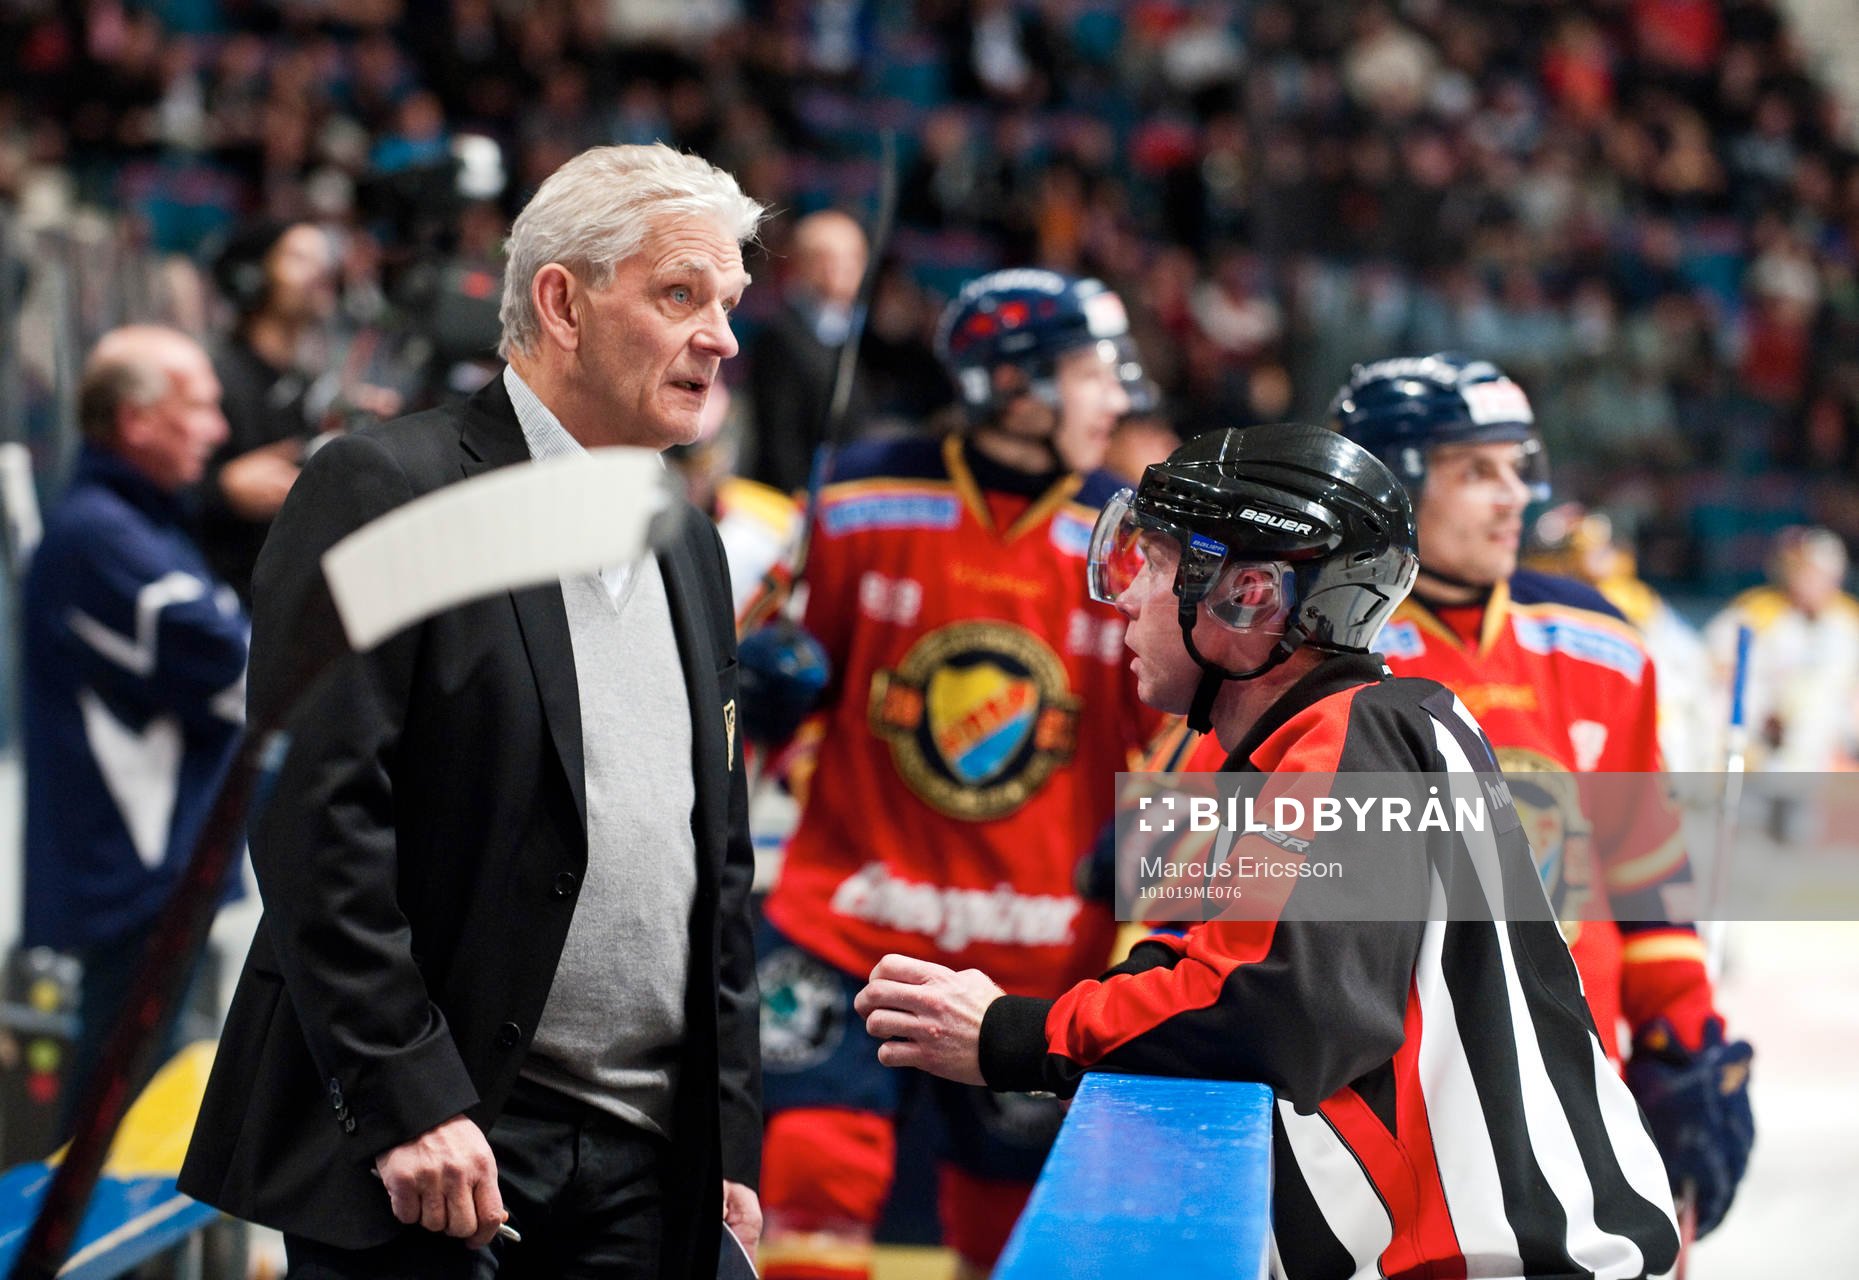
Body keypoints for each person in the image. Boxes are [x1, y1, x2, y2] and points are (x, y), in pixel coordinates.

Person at [855, 424, 1683, 1279]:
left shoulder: (1357, 735)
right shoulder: (1354, 733)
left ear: (1247, 598)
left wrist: (1013, 1034)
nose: (1129, 598)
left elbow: (1272, 1010)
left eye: (1156, 565)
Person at [179, 143, 766, 1279]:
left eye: (730, 303)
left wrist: (726, 1130)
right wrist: (408, 1098)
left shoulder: (687, 538)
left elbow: (720, 862)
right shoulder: (383, 486)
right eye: (680, 295)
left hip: (649, 1161)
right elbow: (318, 818)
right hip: (444, 1151)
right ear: (561, 301)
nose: (721, 338)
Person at [752, 269, 1155, 1280]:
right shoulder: (854, 496)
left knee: (1018, 1225)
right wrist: (754, 680)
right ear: (1014, 389)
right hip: (843, 925)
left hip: (1037, 959)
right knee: (807, 1178)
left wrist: (1156, 845)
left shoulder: (1137, 541)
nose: (1115, 398)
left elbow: (1192, 736)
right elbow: (749, 685)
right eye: (1090, 373)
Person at [1328, 353, 1753, 1239]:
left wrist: (1683, 1037)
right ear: (1389, 486)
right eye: (1474, 471)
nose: (1512, 495)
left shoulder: (1600, 642)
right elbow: (1206, 900)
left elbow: (1644, 876)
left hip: (1577, 1106)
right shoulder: (1306, 650)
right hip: (1376, 1127)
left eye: (1518, 466)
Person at [21, 325, 248, 1135]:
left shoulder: (143, 526)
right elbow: (239, 671)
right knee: (111, 1134)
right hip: (136, 879)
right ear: (136, 421)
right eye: (198, 407)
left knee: (147, 1124)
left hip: (162, 872)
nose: (218, 431)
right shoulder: (99, 538)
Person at [199, 219, 400, 604]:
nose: (322, 270)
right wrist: (220, 490)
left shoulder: (305, 384)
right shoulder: (214, 379)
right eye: (298, 257)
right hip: (230, 605)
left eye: (323, 259)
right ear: (250, 276)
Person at [745, 209, 871, 496]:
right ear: (800, 263)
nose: (839, 269)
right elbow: (778, 436)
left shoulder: (863, 335)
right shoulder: (780, 336)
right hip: (791, 502)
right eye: (825, 258)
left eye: (852, 258)